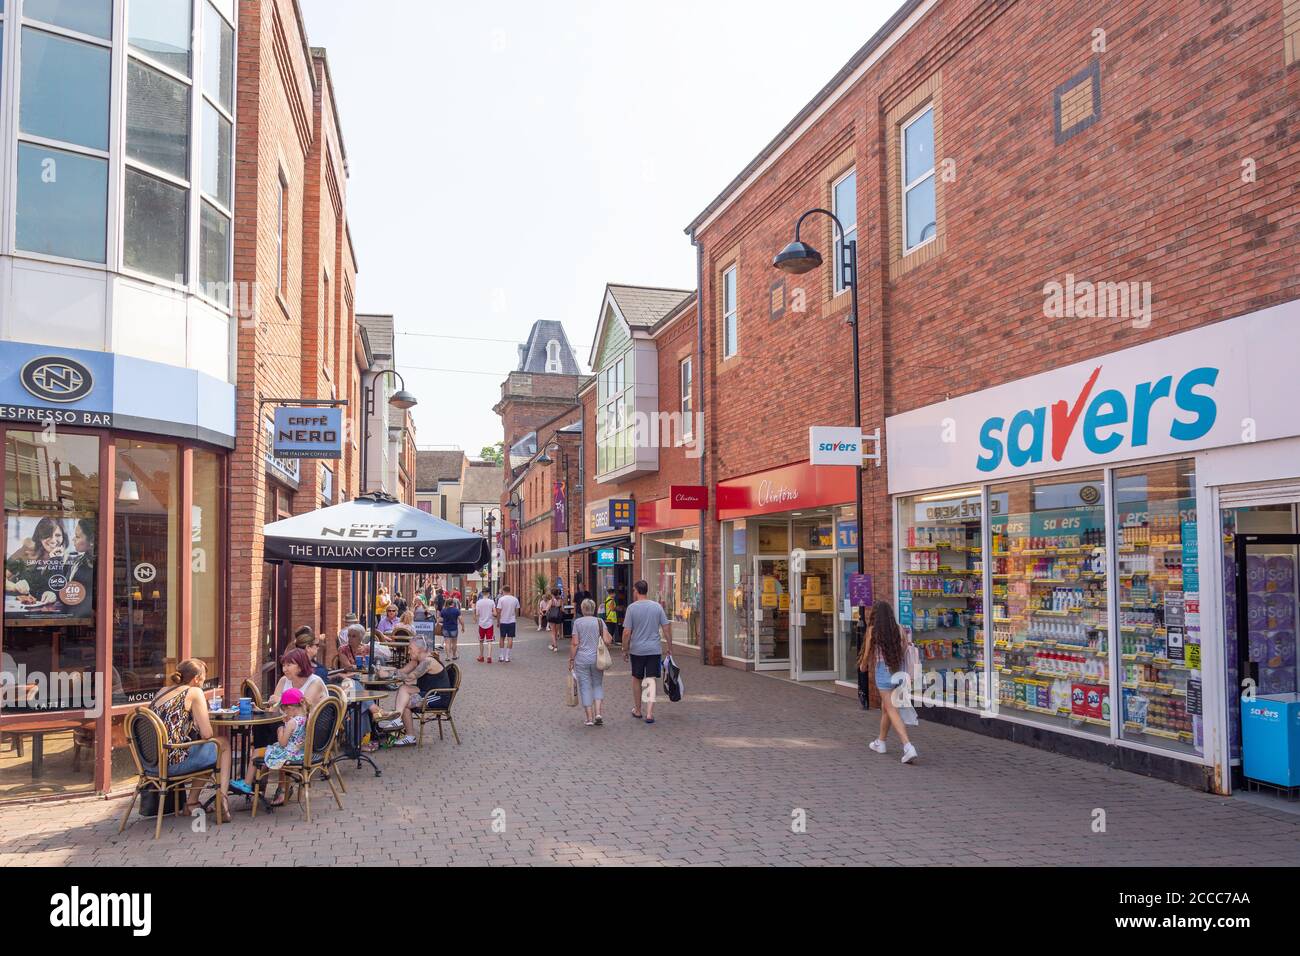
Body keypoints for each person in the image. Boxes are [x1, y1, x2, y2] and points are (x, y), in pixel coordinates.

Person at [148, 659, 232, 815]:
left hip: (150, 762)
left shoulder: (162, 691)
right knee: (222, 745)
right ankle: (223, 797)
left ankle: (192, 804)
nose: (203, 683)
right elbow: (207, 734)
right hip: (172, 763)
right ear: (197, 678)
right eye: (204, 679)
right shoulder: (194, 692)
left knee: (206, 751)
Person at [860, 600, 918, 764]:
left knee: (891, 709)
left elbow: (866, 653)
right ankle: (881, 742)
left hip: (883, 672)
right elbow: (906, 647)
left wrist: (863, 666)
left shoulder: (873, 630)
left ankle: (908, 746)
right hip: (899, 671)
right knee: (887, 708)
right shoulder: (898, 628)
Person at [231, 687, 308, 800]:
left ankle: (247, 784)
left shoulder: (292, 722)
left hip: (287, 754)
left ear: (290, 708)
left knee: (257, 752)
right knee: (264, 749)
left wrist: (280, 729)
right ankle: (252, 781)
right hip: (299, 752)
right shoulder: (305, 717)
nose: (285, 713)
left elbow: (282, 743)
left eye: (285, 710)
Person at [376, 640, 450, 747]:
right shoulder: (416, 660)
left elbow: (411, 677)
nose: (408, 652)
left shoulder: (428, 661)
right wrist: (386, 672)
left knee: (405, 702)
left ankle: (400, 723)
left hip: (438, 696)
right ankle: (403, 727)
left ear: (420, 650)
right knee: (403, 689)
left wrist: (388, 675)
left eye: (411, 649)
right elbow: (402, 672)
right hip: (426, 691)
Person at [622, 579, 672, 724]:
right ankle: (649, 713)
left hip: (637, 650)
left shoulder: (632, 608)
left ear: (637, 591)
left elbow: (626, 632)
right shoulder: (657, 607)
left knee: (637, 678)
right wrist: (669, 646)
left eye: (633, 590)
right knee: (650, 679)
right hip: (654, 649)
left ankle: (638, 710)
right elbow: (666, 627)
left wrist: (625, 649)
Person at [569, 599, 612, 727]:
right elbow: (607, 640)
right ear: (593, 609)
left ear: (582, 609)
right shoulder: (600, 622)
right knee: (597, 685)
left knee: (585, 687)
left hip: (581, 659)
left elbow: (575, 643)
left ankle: (589, 718)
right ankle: (598, 713)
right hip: (597, 659)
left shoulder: (578, 622)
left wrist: (571, 659)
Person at [495, 585, 520, 663]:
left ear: (503, 591)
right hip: (512, 621)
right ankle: (507, 657)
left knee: (502, 637)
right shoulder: (515, 599)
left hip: (503, 621)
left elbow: (498, 611)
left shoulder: (501, 599)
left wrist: (498, 621)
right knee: (510, 638)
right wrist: (514, 617)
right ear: (510, 590)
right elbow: (517, 610)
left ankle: (501, 656)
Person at [474, 590, 497, 663]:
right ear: (488, 593)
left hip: (481, 624)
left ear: (482, 593)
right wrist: (491, 613)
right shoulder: (491, 602)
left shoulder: (478, 602)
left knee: (481, 641)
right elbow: (495, 613)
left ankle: (481, 656)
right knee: (489, 641)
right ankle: (489, 657)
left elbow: (477, 614)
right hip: (489, 624)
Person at [546, 587, 564, 653]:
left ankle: (555, 646)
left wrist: (545, 612)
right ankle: (553, 645)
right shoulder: (561, 600)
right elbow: (562, 609)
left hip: (552, 617)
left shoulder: (551, 601)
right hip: (558, 617)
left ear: (552, 594)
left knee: (553, 632)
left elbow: (547, 609)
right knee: (556, 632)